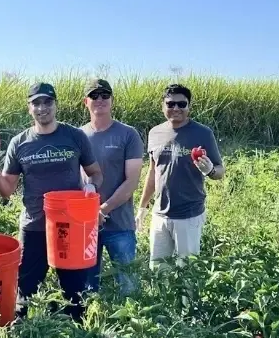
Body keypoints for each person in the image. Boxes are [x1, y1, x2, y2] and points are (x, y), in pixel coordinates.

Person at [0, 82, 103, 322]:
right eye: (36, 103)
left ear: (55, 104)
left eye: (47, 102)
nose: (42, 108)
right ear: (29, 108)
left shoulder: (74, 136)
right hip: (35, 226)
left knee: (75, 294)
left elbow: (96, 173)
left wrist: (91, 185)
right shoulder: (20, 142)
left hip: (71, 228)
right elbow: (7, 191)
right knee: (25, 293)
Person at [136, 83, 224, 269]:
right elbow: (153, 172)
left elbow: (220, 171)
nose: (176, 108)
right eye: (170, 104)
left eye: (181, 104)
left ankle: (189, 300)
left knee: (188, 273)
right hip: (160, 214)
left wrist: (210, 170)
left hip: (189, 215)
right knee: (159, 271)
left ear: (189, 106)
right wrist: (142, 208)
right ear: (163, 106)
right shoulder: (154, 133)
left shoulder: (203, 133)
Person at [79, 78, 144, 295]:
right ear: (85, 102)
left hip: (121, 226)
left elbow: (131, 181)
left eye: (105, 95)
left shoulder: (128, 134)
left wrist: (102, 210)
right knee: (87, 290)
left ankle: (133, 328)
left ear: (112, 100)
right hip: (86, 227)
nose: (100, 100)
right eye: (94, 96)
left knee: (128, 288)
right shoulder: (78, 136)